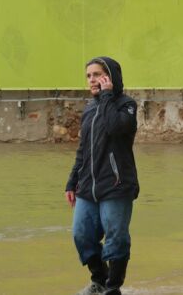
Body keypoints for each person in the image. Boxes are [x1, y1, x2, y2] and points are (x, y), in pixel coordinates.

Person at [65, 57, 139, 295]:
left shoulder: (126, 105)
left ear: (110, 77)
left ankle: (113, 287)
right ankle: (99, 280)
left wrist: (107, 96)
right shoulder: (89, 108)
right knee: (81, 234)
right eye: (88, 76)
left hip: (116, 184)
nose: (92, 80)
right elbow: (83, 148)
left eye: (97, 74)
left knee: (116, 237)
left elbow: (116, 128)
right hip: (88, 186)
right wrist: (72, 180)